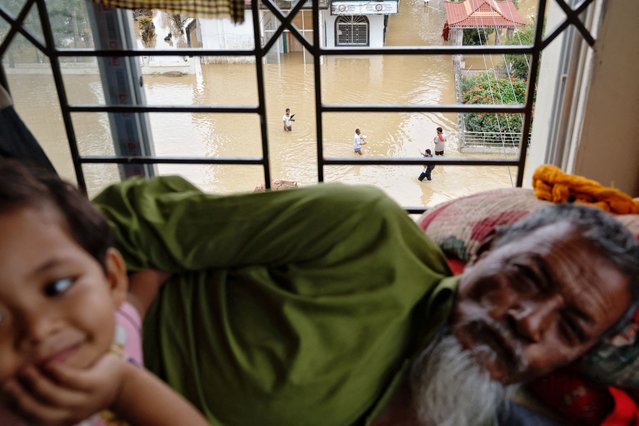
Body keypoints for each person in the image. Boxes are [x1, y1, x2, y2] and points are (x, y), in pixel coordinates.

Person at [89, 172, 639, 426]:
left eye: (570, 328)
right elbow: (131, 219)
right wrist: (125, 321)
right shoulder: (361, 232)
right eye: (527, 276)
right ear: (487, 248)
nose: (529, 322)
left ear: (575, 358)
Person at [0, 161, 208, 426]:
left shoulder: (119, 332)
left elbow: (141, 291)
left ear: (111, 280)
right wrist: (123, 387)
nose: (38, 329)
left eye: (58, 287)